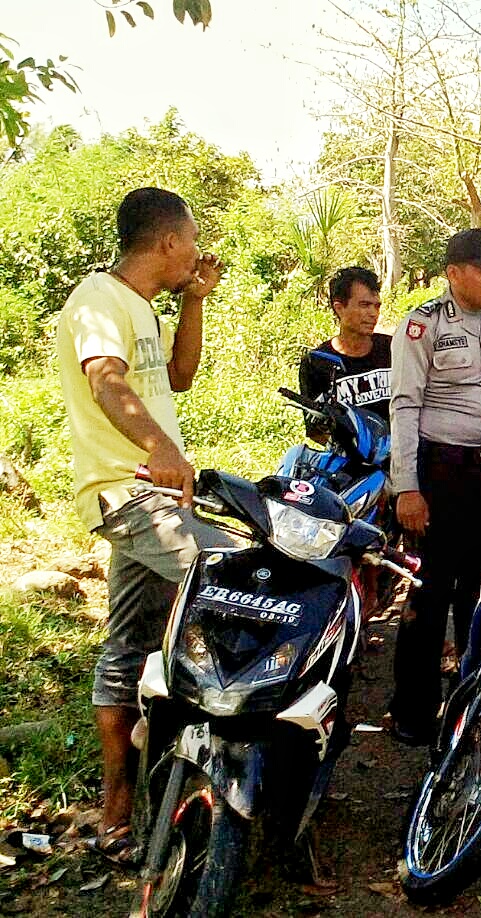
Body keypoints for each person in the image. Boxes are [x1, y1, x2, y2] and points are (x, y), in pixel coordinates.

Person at [55, 187, 231, 865]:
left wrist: (194, 302)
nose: (196, 250)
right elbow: (105, 379)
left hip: (154, 497)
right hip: (130, 494)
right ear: (167, 242)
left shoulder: (141, 308)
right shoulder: (99, 299)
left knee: (129, 645)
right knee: (230, 582)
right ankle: (203, 766)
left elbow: (180, 378)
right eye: (191, 239)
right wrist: (161, 450)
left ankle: (118, 815)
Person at [386, 227, 481, 746]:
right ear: (454, 274)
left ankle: (474, 703)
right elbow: (404, 406)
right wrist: (407, 487)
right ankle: (413, 712)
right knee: (429, 594)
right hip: (438, 471)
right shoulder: (421, 327)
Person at [299, 266, 391, 442]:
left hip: (400, 461)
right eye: (364, 305)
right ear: (339, 308)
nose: (373, 313)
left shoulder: (393, 349)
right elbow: (316, 432)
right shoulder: (316, 362)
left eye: (376, 306)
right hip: (348, 466)